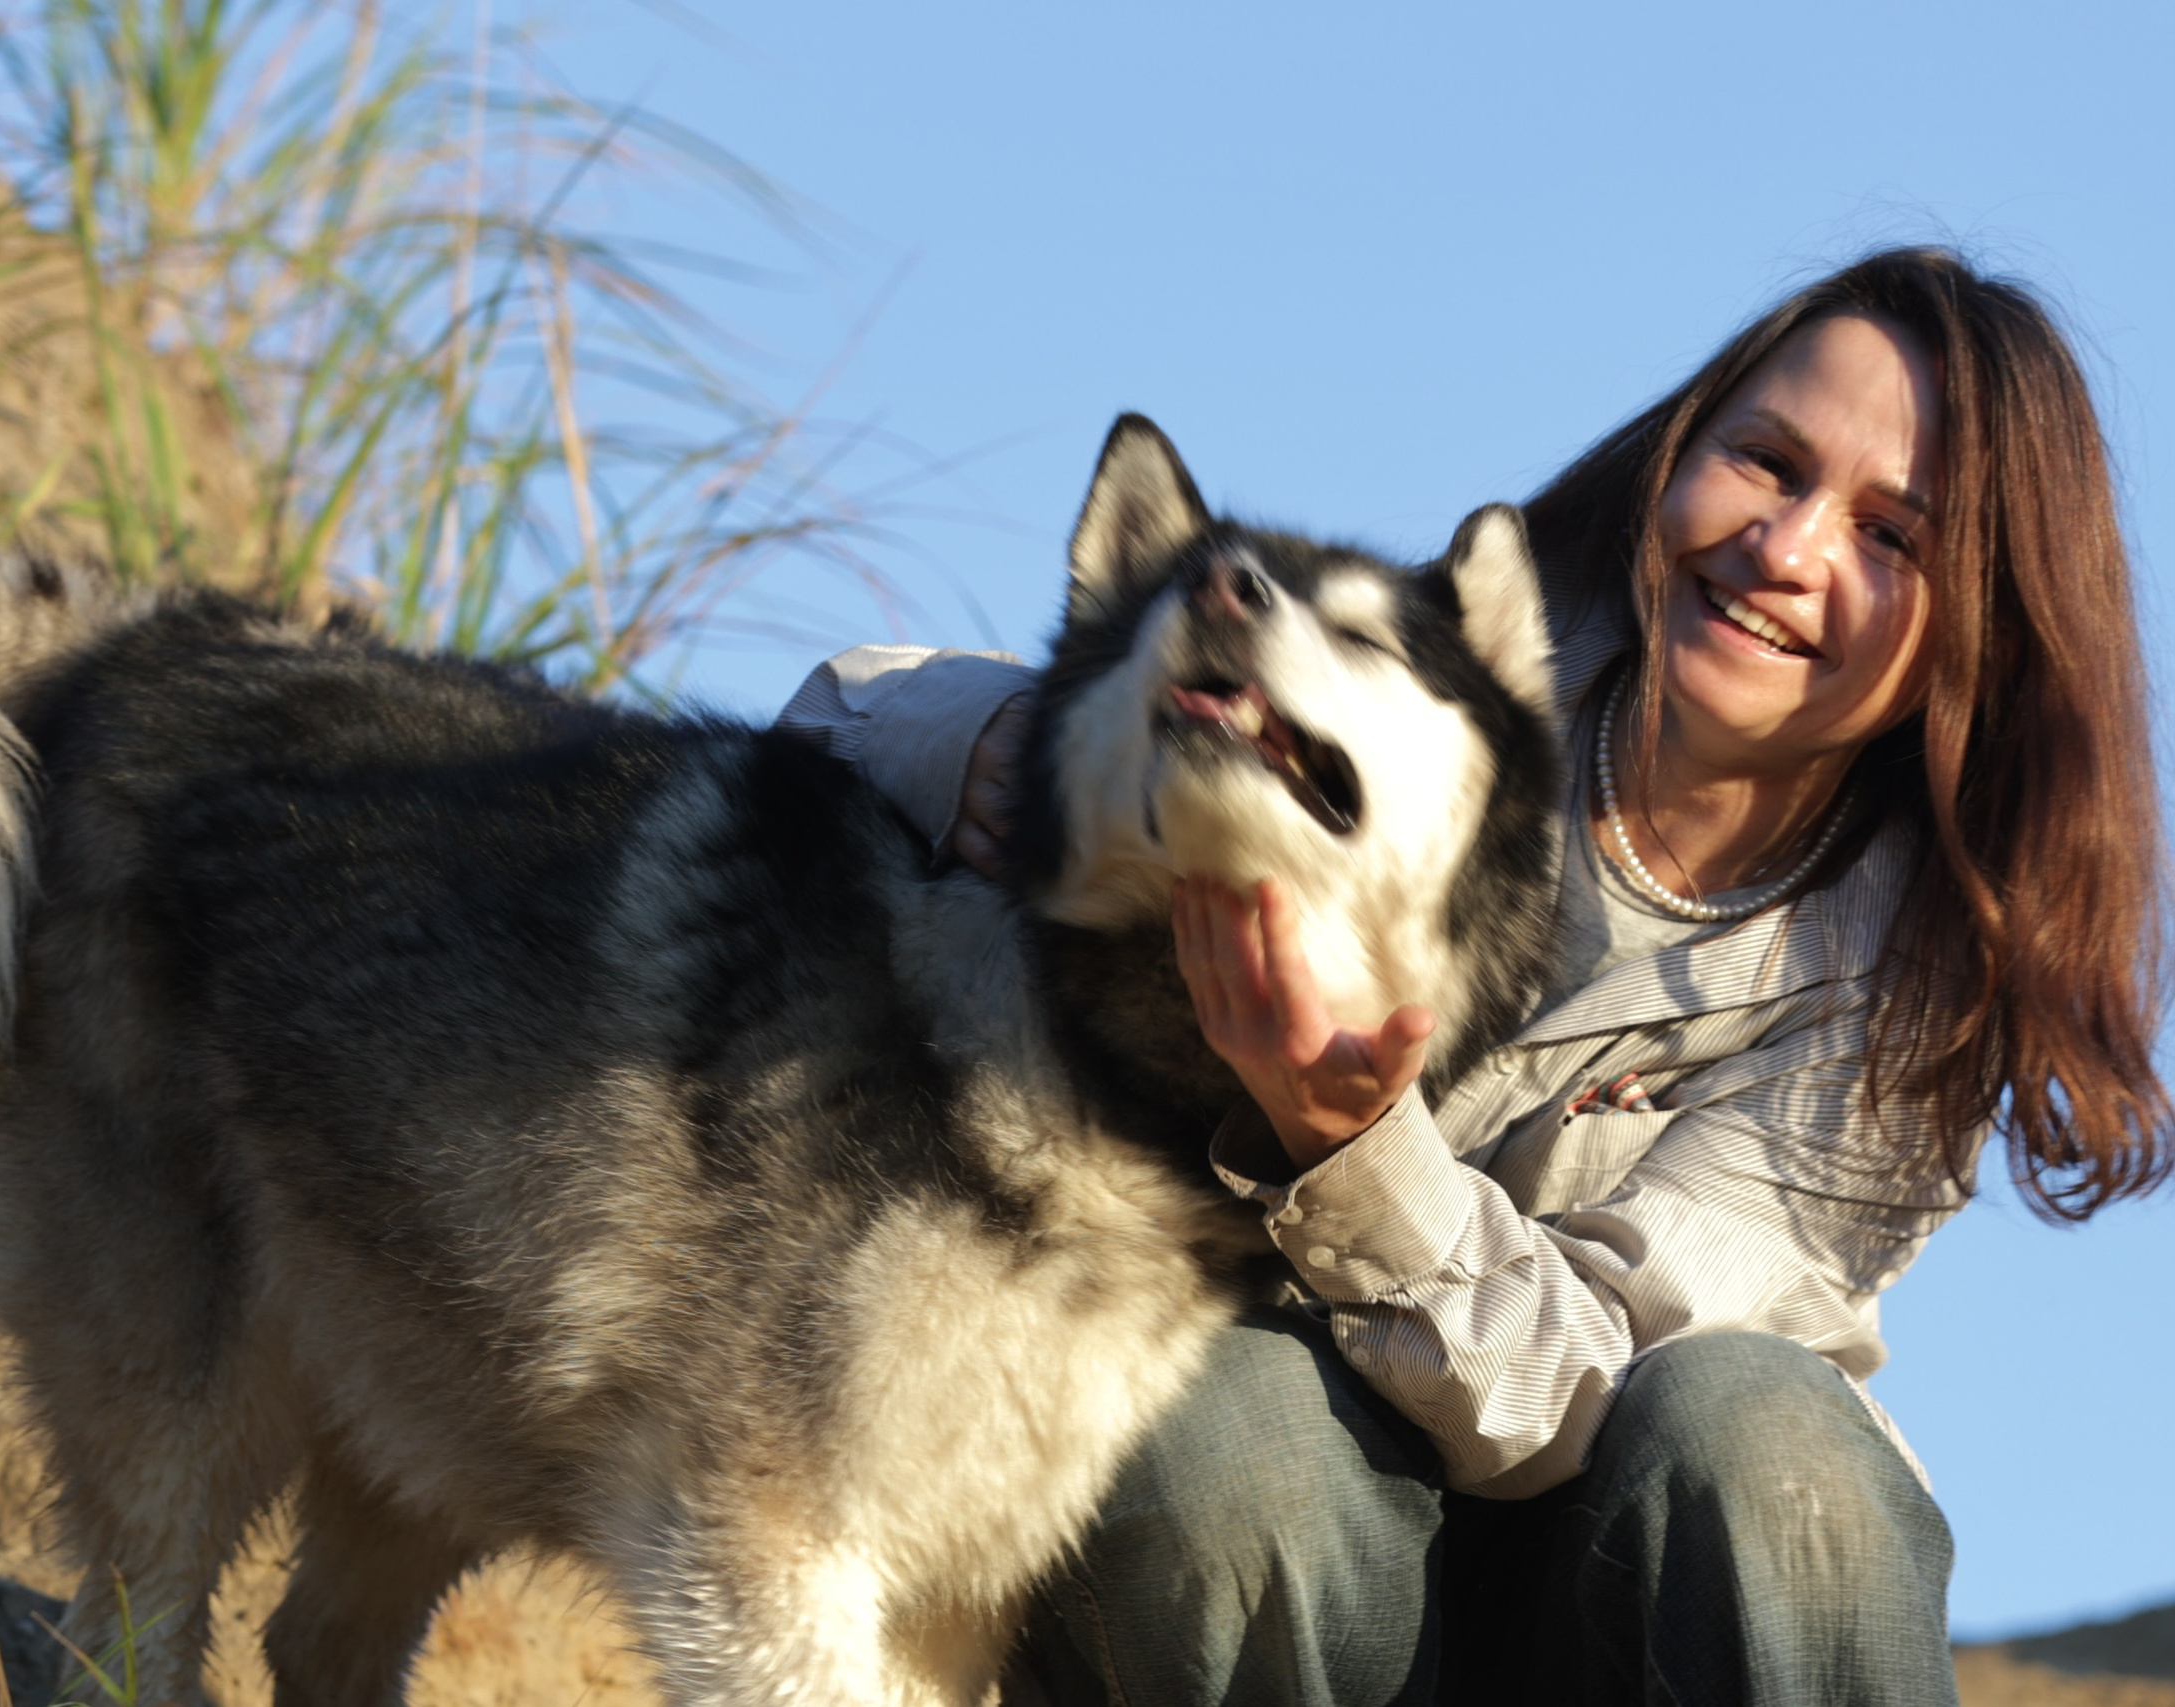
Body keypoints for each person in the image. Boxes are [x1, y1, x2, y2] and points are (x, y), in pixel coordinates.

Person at [777, 248, 2172, 1704]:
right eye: (1766, 460)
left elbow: (1566, 1397)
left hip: (1632, 1597)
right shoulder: (1441, 671)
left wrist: (1347, 1145)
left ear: (1982, 630)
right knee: (1220, 1410)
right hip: (1281, 1558)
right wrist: (1016, 749)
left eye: (1895, 537)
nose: (1790, 549)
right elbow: (854, 709)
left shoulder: (1918, 1012)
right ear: (1677, 452)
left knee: (1768, 1429)